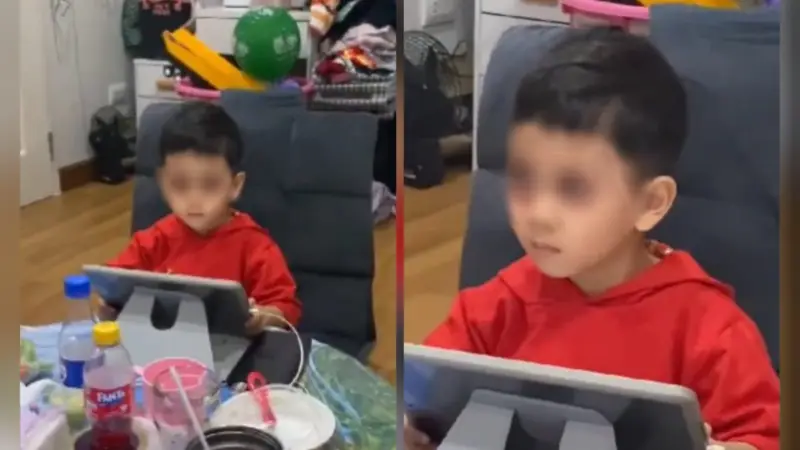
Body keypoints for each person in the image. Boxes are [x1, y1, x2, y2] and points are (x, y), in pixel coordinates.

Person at [405, 28, 779, 450]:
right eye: (522, 180)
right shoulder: (497, 306)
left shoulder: (711, 331)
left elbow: (761, 436)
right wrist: (411, 425)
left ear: (651, 203)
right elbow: (425, 395)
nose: (539, 214)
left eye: (574, 189)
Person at [97, 102, 301, 335]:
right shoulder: (154, 240)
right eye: (180, 185)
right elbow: (113, 282)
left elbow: (286, 307)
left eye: (210, 185)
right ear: (163, 183)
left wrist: (264, 316)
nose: (194, 200)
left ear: (235, 186)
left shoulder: (255, 246)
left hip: (230, 345)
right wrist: (109, 305)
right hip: (163, 344)